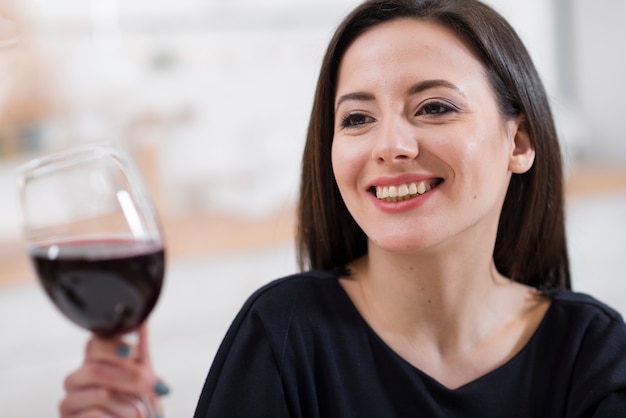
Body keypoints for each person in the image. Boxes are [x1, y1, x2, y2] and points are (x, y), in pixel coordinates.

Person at [59, 0, 626, 416]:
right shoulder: (283, 332)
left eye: (432, 107)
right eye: (357, 118)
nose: (390, 145)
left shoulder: (593, 351)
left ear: (519, 143)